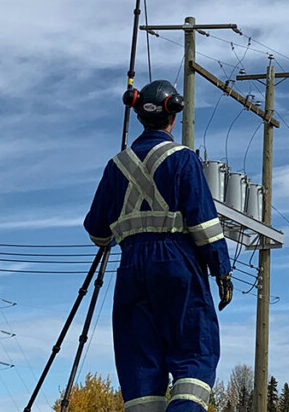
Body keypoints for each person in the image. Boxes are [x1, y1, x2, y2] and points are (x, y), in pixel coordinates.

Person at [85, 79, 234, 412]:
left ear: (138, 112)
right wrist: (222, 270)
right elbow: (205, 225)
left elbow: (97, 231)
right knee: (194, 353)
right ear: (173, 113)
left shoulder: (116, 166)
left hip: (131, 272)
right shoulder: (183, 160)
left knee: (139, 364)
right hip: (177, 264)